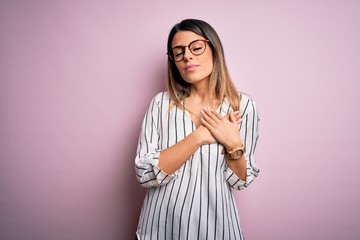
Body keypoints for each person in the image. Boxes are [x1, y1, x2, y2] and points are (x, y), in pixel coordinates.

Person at [134, 19, 260, 240]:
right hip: (159, 229)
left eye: (196, 47)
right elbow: (144, 174)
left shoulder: (243, 107)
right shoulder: (160, 104)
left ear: (214, 49)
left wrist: (234, 145)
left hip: (217, 230)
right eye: (178, 52)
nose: (187, 56)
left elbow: (240, 181)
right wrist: (199, 136)